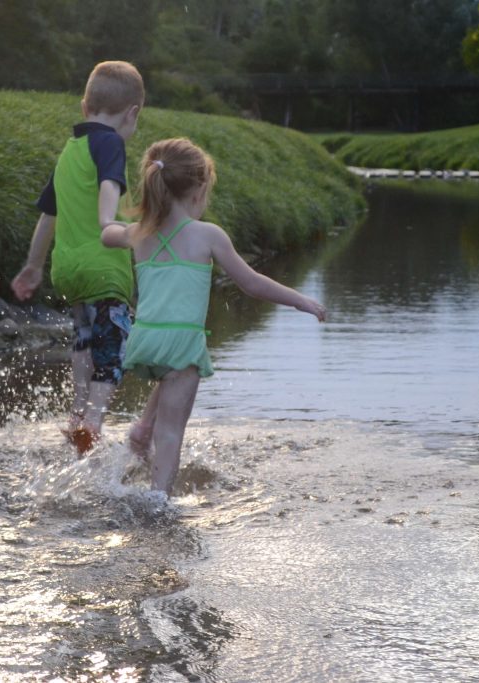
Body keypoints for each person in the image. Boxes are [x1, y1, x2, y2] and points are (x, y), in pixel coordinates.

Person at [102, 138, 326, 494]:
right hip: (183, 342)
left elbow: (107, 235)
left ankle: (142, 430)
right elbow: (251, 283)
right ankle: (158, 500)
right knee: (172, 433)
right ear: (198, 190)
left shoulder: (140, 233)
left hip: (144, 338)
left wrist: (107, 221)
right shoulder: (207, 235)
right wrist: (300, 301)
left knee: (166, 381)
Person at [11, 61, 144, 453]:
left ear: (85, 106)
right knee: (113, 344)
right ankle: (95, 421)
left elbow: (48, 216)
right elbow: (110, 183)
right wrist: (108, 220)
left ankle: (76, 412)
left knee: (85, 339)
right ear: (132, 113)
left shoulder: (69, 152)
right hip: (103, 268)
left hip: (67, 270)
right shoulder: (110, 142)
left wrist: (33, 266)